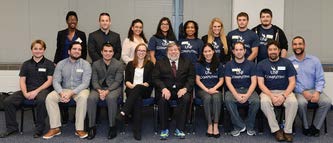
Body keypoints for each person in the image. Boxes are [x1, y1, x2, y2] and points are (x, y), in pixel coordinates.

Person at [0, 40, 55, 138]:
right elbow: (22, 80)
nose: (38, 51)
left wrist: (36, 91)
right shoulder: (26, 64)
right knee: (8, 101)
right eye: (35, 49)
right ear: (32, 50)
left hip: (43, 90)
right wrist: (25, 93)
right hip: (27, 90)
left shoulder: (49, 64)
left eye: (40, 49)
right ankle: (12, 128)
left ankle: (40, 128)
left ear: (44, 50)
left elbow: (49, 81)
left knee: (42, 100)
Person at [43, 41, 92, 139]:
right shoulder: (61, 64)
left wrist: (71, 93)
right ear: (69, 51)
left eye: (79, 49)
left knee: (83, 98)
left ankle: (79, 129)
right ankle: (55, 128)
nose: (77, 51)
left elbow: (85, 83)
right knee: (50, 97)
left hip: (80, 90)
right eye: (74, 49)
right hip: (64, 89)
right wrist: (61, 93)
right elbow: (56, 81)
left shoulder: (86, 64)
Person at [289, 36, 331, 137]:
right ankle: (306, 126)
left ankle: (315, 127)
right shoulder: (289, 62)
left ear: (304, 45)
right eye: (295, 44)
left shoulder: (314, 60)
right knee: (301, 103)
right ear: (292, 46)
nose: (297, 46)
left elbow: (320, 79)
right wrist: (303, 91)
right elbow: (290, 82)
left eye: (300, 44)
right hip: (299, 92)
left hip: (314, 90)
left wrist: (317, 92)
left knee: (327, 102)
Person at [257, 41, 298, 142]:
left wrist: (283, 96)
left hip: (285, 91)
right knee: (264, 102)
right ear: (267, 51)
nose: (273, 52)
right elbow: (261, 84)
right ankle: (276, 130)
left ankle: (287, 130)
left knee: (293, 102)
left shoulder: (287, 63)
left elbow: (292, 82)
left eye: (275, 49)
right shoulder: (261, 64)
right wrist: (271, 96)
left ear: (279, 50)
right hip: (268, 92)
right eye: (270, 50)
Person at [152, 42, 194, 140]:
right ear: (167, 52)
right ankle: (164, 128)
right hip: (166, 90)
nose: (173, 52)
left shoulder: (187, 62)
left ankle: (179, 128)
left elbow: (191, 78)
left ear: (179, 51)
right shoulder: (160, 62)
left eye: (175, 49)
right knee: (162, 100)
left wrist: (185, 88)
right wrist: (163, 88)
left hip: (181, 90)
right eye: (171, 50)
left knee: (186, 98)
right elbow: (155, 78)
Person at [54, 11, 87, 125]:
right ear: (67, 21)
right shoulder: (61, 33)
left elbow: (84, 51)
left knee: (77, 87)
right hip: (63, 64)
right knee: (63, 87)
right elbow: (58, 49)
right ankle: (65, 113)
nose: (72, 21)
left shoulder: (81, 34)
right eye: (70, 19)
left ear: (77, 21)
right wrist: (56, 63)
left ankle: (76, 115)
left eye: (74, 19)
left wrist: (81, 64)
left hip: (77, 63)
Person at [86, 43, 124, 140]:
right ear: (101, 52)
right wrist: (99, 90)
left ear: (113, 53)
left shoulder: (119, 64)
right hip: (98, 88)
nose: (108, 53)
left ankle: (112, 127)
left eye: (110, 51)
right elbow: (94, 80)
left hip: (113, 88)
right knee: (91, 98)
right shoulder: (95, 64)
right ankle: (91, 127)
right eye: (105, 51)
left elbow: (118, 81)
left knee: (111, 98)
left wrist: (107, 91)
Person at [117, 43, 154, 140]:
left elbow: (150, 80)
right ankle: (137, 131)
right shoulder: (130, 64)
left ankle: (123, 112)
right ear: (136, 52)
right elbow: (127, 80)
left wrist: (141, 85)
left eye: (143, 51)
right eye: (139, 50)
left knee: (138, 89)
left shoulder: (150, 64)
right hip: (131, 89)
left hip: (145, 89)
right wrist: (133, 86)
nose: (141, 52)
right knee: (137, 99)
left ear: (146, 53)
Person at [224, 42, 259, 137]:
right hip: (234, 90)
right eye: (236, 50)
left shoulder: (251, 65)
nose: (239, 52)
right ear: (233, 52)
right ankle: (239, 126)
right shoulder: (229, 65)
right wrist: (236, 95)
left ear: (245, 51)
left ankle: (249, 126)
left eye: (241, 50)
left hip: (248, 90)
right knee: (228, 99)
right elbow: (228, 82)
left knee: (256, 101)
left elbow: (254, 82)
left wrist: (247, 95)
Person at [195, 43, 223, 138]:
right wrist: (207, 90)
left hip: (215, 89)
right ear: (202, 53)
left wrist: (213, 89)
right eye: (205, 51)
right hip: (202, 90)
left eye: (209, 51)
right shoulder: (198, 64)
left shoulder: (218, 64)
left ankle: (215, 125)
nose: (207, 53)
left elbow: (221, 80)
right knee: (207, 98)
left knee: (216, 98)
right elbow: (197, 80)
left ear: (213, 51)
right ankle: (209, 125)